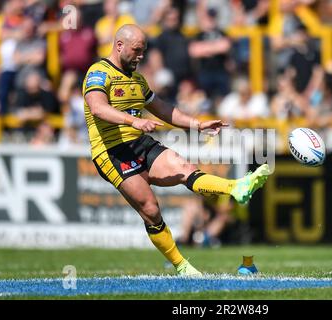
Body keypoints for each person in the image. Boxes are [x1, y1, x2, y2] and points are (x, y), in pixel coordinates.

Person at [82, 24, 270, 276]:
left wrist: (197, 124)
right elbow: (97, 108)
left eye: (144, 51)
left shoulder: (137, 80)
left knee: (185, 168)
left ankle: (236, 188)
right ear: (119, 46)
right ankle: (181, 265)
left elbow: (162, 108)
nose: (141, 56)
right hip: (112, 151)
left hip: (139, 142)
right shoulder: (99, 72)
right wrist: (133, 120)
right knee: (150, 209)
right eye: (137, 50)